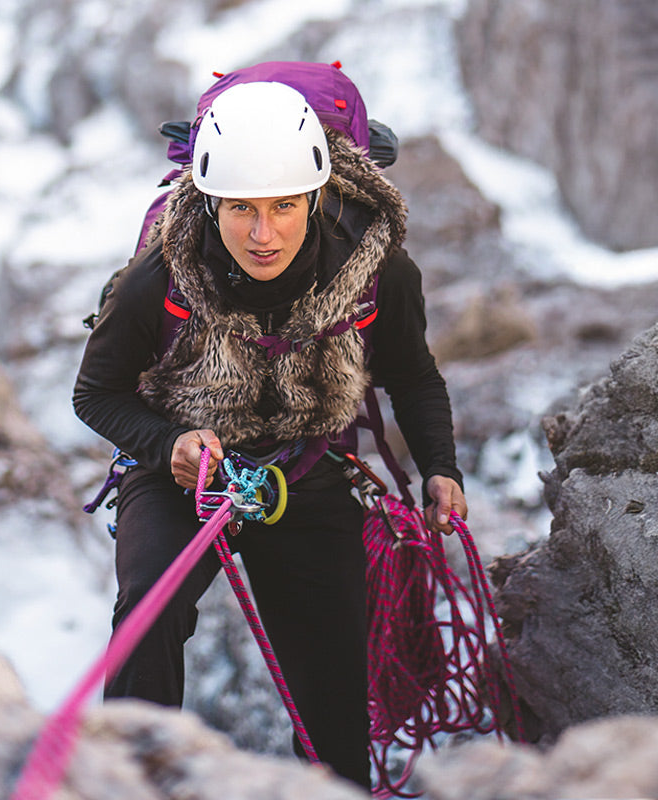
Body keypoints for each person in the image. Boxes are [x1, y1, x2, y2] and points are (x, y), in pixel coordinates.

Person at [73, 78, 467, 790]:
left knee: (336, 678)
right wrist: (169, 445)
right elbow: (95, 392)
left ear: (316, 198)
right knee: (148, 610)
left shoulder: (377, 271)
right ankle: (125, 782)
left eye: (284, 207)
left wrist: (441, 467)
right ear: (212, 203)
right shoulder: (161, 273)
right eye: (242, 210)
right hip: (180, 466)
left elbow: (411, 375)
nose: (264, 234)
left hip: (306, 466)